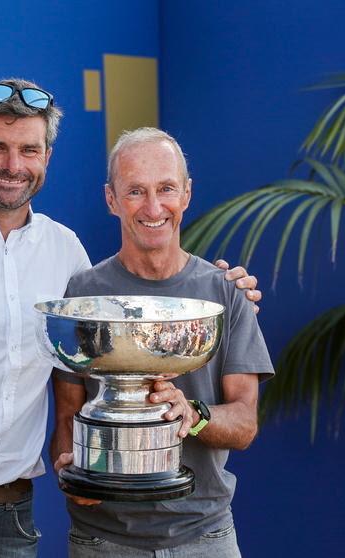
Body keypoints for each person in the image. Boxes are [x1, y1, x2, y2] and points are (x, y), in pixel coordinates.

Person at [0, 81, 261, 558]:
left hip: (11, 516)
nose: (13, 166)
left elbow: (121, 315)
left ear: (47, 157)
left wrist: (225, 287)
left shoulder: (64, 253)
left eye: (29, 150)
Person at [51, 127, 274, 558]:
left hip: (204, 536)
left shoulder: (226, 292)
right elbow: (66, 417)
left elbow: (245, 425)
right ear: (112, 199)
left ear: (186, 194)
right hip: (102, 539)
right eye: (135, 191)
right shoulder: (82, 295)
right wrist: (72, 473)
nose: (154, 208)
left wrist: (193, 414)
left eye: (166, 188)